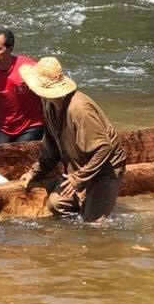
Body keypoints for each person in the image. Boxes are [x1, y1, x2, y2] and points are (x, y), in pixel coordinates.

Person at [18, 57, 126, 222]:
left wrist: (78, 178)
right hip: (79, 165)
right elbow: (51, 147)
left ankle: (95, 207)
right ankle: (85, 203)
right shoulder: (48, 104)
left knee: (93, 225)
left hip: (105, 169)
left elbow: (104, 148)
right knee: (56, 204)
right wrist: (34, 172)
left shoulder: (79, 110)